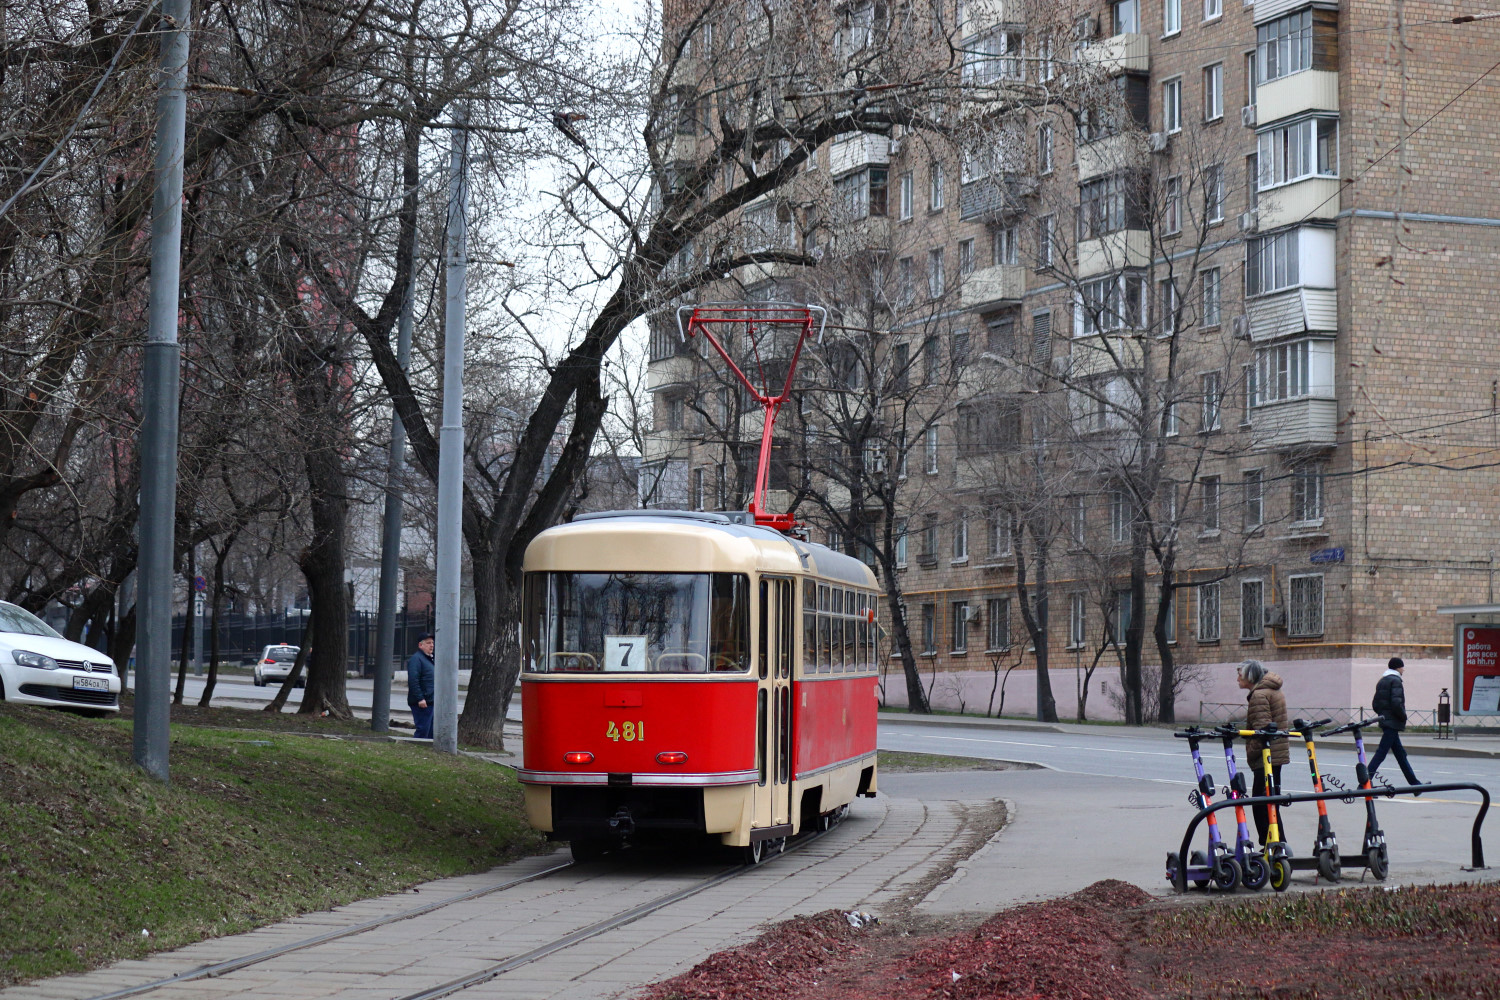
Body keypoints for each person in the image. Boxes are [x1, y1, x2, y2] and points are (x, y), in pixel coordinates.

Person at [1239, 659, 1289, 847]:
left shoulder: (1259, 695)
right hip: (1276, 753)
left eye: (1240, 674)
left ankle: (1271, 845)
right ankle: (1277, 844)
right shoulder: (1272, 690)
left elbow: (1262, 731)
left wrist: (1251, 752)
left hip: (1266, 756)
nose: (1237, 679)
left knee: (1261, 804)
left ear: (1249, 677)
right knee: (1271, 802)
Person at [1369, 656, 1422, 789]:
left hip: (1385, 720)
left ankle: (1415, 785)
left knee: (1400, 754)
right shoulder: (1396, 681)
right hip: (1392, 722)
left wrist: (1383, 714)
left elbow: (1375, 704)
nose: (1403, 669)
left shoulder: (1382, 681)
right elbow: (1397, 703)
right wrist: (1403, 716)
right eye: (1402, 667)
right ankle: (1364, 784)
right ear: (1398, 667)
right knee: (1381, 754)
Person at [406, 633, 436, 740]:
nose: (431, 645)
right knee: (423, 729)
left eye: (432, 643)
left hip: (430, 701)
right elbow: (413, 680)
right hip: (422, 702)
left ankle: (427, 751)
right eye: (428, 643)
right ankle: (417, 748)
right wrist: (420, 698)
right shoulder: (416, 659)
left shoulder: (429, 659)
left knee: (431, 730)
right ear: (420, 645)